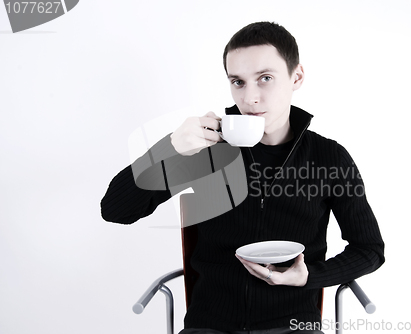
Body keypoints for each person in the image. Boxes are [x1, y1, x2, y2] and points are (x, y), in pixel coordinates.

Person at [101, 21, 385, 333]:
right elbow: (116, 210)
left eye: (265, 78)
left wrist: (310, 277)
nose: (249, 98)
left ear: (296, 77)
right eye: (238, 82)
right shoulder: (207, 150)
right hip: (209, 324)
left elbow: (369, 249)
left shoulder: (328, 157)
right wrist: (170, 148)